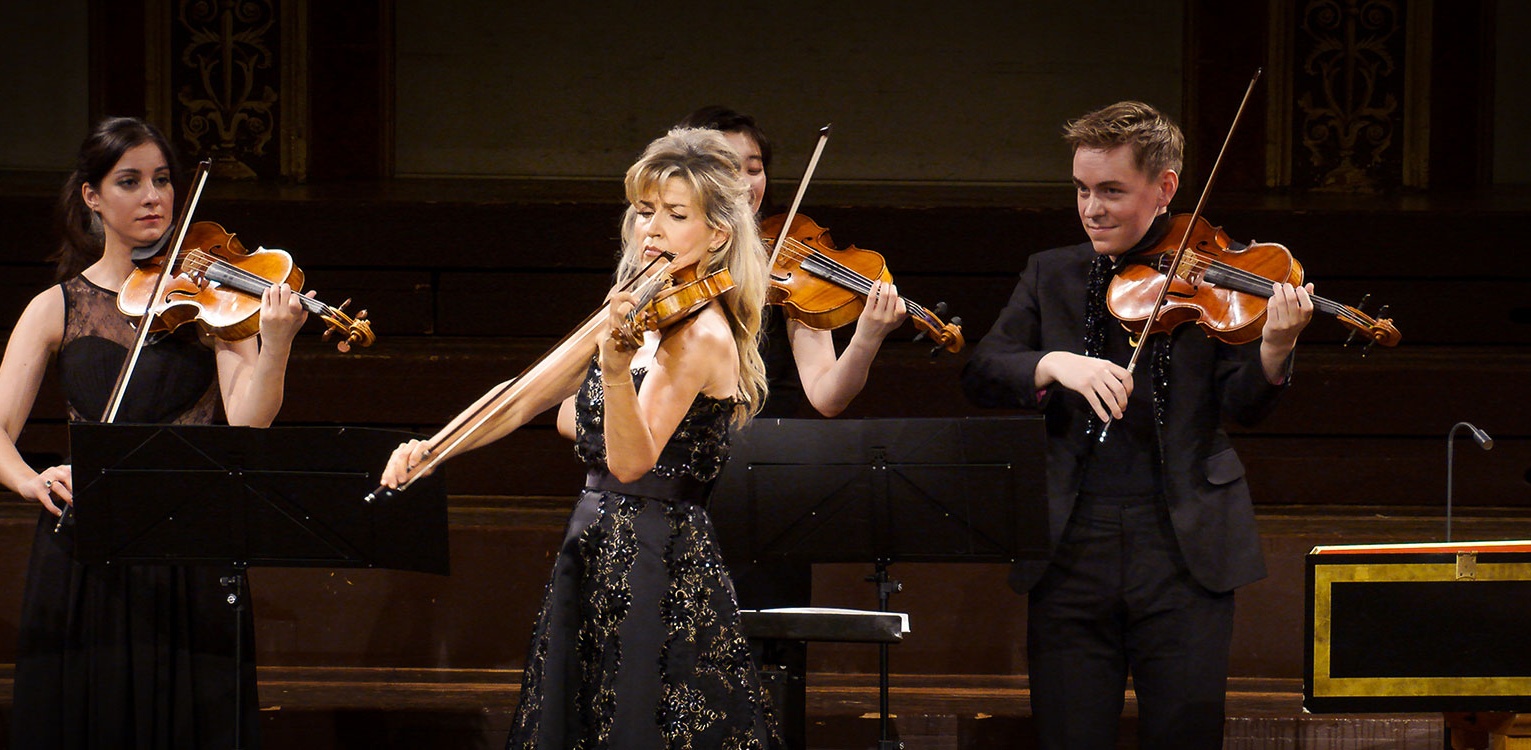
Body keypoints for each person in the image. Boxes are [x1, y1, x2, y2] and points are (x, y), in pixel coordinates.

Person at [381, 127, 783, 748]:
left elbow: (629, 462)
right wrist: (436, 449)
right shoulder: (633, 306)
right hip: (595, 538)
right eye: (645, 211)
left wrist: (613, 372)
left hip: (656, 556)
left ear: (717, 234)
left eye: (675, 216)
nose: (652, 228)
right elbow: (527, 394)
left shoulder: (700, 333)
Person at [960, 101, 1315, 749]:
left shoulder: (1217, 277)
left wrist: (1275, 348)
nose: (1091, 208)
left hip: (1183, 550)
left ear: (1166, 188)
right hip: (1071, 550)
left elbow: (1243, 406)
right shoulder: (1053, 273)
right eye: (1082, 190)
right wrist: (1056, 364)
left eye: (1112, 192)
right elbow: (985, 371)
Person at [0, 116, 310, 749]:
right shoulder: (57, 306)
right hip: (87, 538)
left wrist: (278, 345)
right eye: (129, 181)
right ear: (92, 197)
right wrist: (30, 479)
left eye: (162, 180)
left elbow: (247, 421)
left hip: (191, 536)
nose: (154, 196)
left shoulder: (209, 302)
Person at [677, 105, 907, 418]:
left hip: (762, 442)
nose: (745, 184)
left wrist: (867, 337)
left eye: (754, 170)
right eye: (728, 169)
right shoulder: (666, 254)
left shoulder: (789, 261)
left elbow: (827, 397)